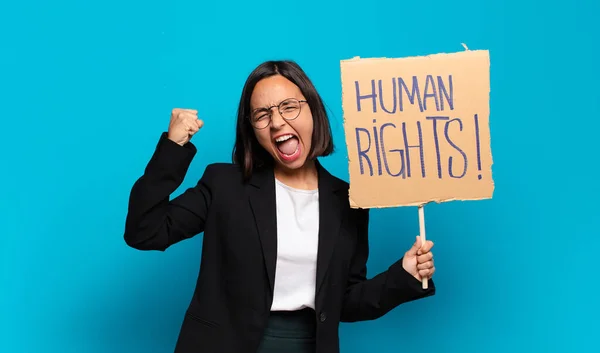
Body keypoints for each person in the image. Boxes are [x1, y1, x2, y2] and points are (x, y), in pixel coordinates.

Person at [123, 60, 436, 353]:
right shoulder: (225, 184)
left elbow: (345, 302)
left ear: (312, 110)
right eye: (262, 115)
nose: (276, 122)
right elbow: (145, 232)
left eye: (289, 107)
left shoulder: (349, 201)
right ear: (253, 130)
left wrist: (404, 274)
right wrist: (173, 147)